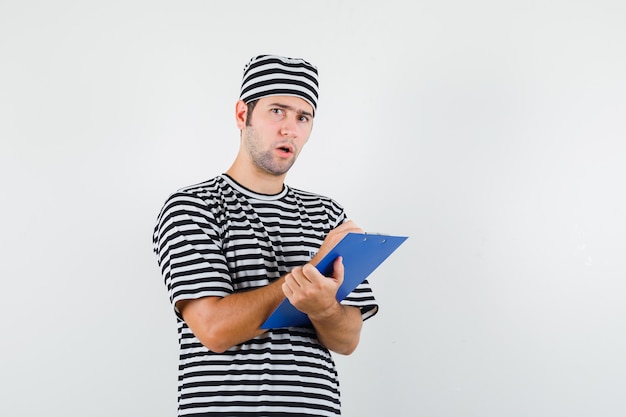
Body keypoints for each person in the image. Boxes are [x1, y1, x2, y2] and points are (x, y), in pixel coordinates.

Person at [153, 54, 378, 416]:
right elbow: (214, 329)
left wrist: (323, 308)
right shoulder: (192, 207)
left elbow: (347, 339)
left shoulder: (327, 214)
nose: (290, 128)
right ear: (243, 115)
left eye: (302, 117)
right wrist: (313, 271)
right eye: (277, 111)